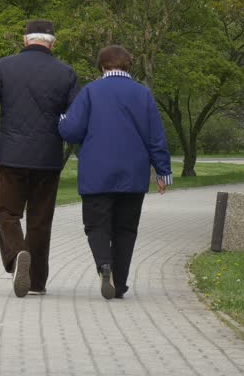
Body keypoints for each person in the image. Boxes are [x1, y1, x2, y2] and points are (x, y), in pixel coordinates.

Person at [0, 19, 80, 298]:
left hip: (12, 156)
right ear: (52, 43)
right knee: (40, 220)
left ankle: (18, 252)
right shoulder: (65, 73)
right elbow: (76, 120)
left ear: (25, 40)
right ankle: (36, 282)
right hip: (48, 158)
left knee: (6, 212)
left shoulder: (4, 67)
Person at [58, 45, 172, 300]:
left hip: (96, 175)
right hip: (133, 175)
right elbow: (156, 138)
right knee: (126, 230)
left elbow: (72, 131)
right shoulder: (143, 95)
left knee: (96, 225)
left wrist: (61, 120)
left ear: (101, 66)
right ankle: (119, 284)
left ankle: (104, 265)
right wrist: (163, 173)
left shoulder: (90, 92)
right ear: (129, 65)